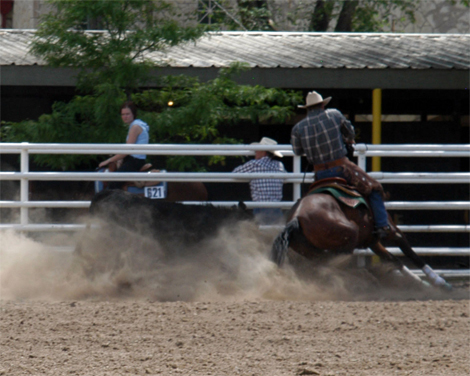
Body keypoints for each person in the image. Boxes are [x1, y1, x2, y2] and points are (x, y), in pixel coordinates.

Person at [291, 91, 391, 238]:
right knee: (374, 188)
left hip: (320, 174)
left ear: (307, 108)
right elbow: (350, 132)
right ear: (322, 104)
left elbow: (297, 151)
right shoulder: (334, 114)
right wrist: (348, 139)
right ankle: (382, 225)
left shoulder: (298, 128)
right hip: (342, 169)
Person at [233, 137, 286, 225]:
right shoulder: (279, 165)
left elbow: (235, 173)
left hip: (261, 209)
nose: (255, 152)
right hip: (277, 209)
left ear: (263, 152)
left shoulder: (254, 164)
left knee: (261, 234)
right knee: (276, 233)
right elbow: (285, 177)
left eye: (257, 150)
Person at [99, 101, 149, 190]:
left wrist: (108, 161)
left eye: (127, 114)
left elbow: (127, 150)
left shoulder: (135, 127)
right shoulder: (137, 125)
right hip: (134, 159)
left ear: (133, 114)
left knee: (113, 183)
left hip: (135, 161)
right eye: (123, 114)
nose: (125, 117)